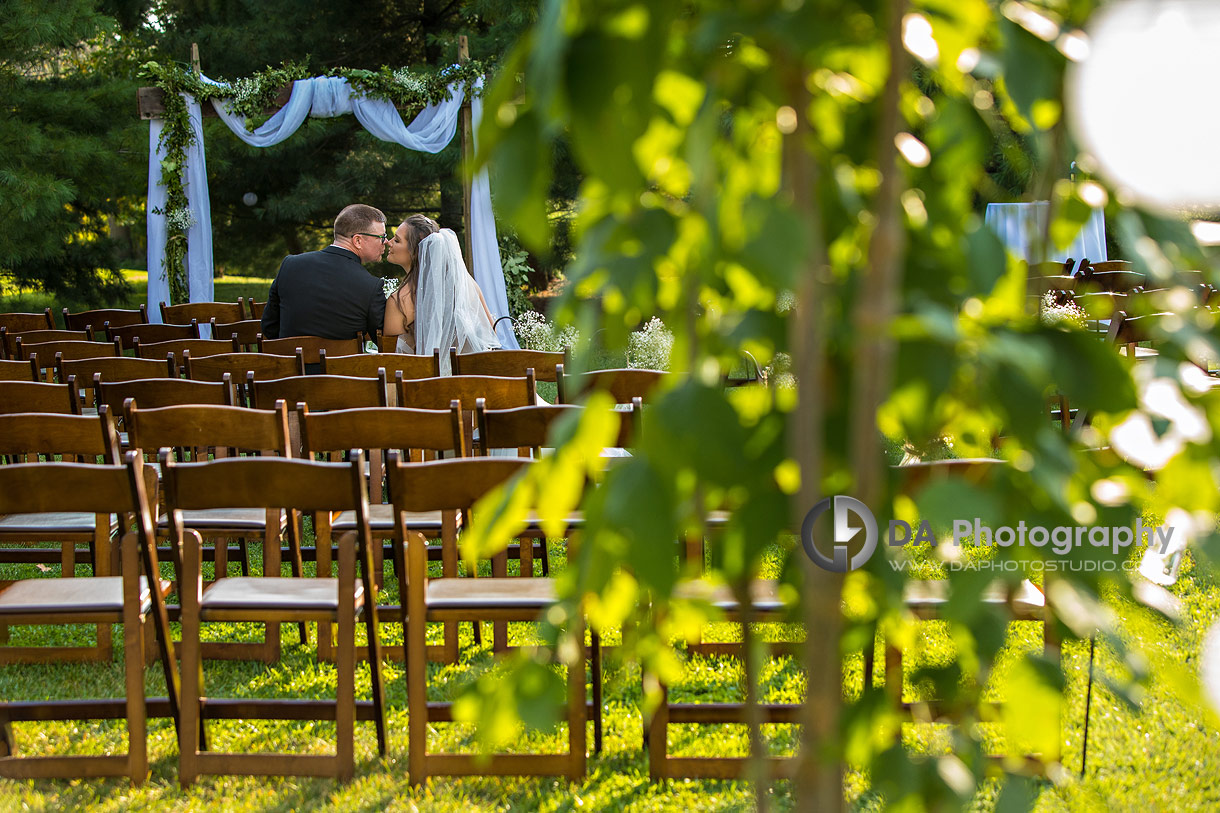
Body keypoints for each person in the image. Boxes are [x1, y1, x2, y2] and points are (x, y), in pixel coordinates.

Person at [383, 214, 500, 372]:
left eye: (397, 240)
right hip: (471, 382)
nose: (388, 242)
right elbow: (491, 332)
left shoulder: (399, 301)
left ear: (415, 251)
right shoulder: (467, 285)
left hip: (423, 387)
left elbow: (392, 360)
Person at [259, 204, 389, 343]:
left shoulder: (290, 264)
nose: (386, 242)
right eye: (382, 236)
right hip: (342, 365)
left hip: (290, 362)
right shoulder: (371, 286)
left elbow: (269, 327)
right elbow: (381, 340)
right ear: (357, 240)